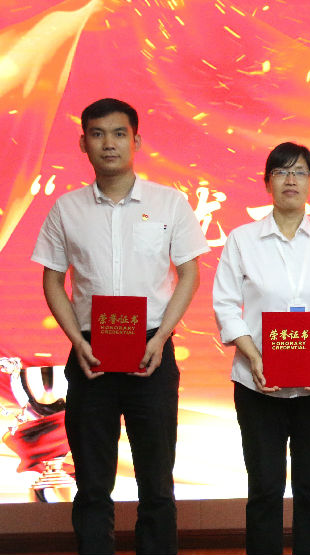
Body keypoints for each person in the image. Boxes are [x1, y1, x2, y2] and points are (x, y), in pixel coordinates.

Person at [31, 98, 209, 554]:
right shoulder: (66, 209)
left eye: (118, 134)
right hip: (90, 354)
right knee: (92, 485)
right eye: (97, 134)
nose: (108, 143)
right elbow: (53, 279)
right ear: (83, 143)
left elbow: (189, 272)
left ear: (136, 141)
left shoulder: (169, 203)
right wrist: (76, 340)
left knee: (157, 483)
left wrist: (163, 336)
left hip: (152, 352)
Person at [212, 142, 310, 555]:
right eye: (280, 172)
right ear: (267, 182)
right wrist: (254, 357)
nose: (290, 180)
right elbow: (225, 304)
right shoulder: (242, 240)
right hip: (257, 383)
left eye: (299, 172)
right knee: (264, 488)